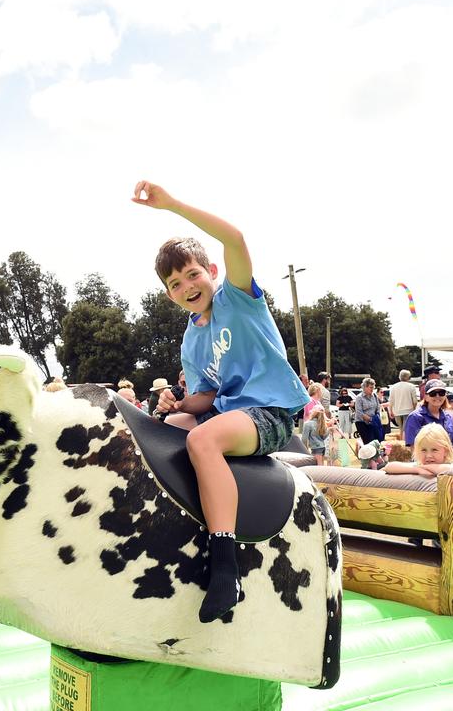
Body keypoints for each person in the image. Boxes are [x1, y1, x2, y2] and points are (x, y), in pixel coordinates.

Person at [138, 179, 309, 624]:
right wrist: (173, 406)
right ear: (169, 294)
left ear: (211, 270)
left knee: (202, 442)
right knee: (166, 432)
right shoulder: (190, 341)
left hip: (269, 412)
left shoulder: (239, 297)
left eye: (193, 274)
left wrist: (171, 204)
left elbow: (235, 238)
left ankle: (224, 562)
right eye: (176, 283)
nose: (187, 285)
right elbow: (206, 397)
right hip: (227, 412)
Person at [382, 424, 453, 478]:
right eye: (424, 450)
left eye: (434, 450)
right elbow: (389, 467)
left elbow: (448, 470)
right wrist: (417, 469)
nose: (429, 455)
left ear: (446, 451)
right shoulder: (420, 465)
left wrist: (424, 468)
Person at [403, 379, 453, 450]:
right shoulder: (415, 417)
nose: (437, 396)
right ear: (426, 397)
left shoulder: (448, 417)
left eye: (441, 393)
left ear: (445, 396)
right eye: (433, 393)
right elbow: (413, 447)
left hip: (448, 460)